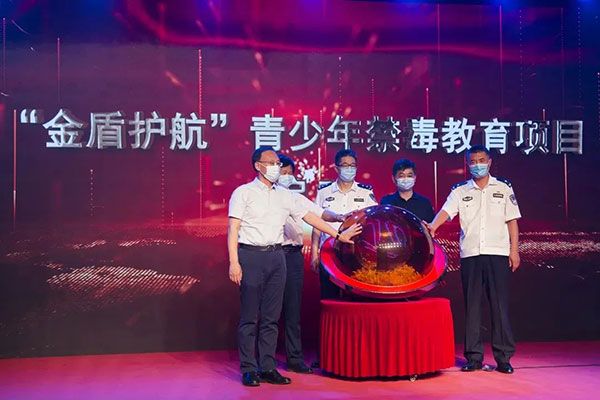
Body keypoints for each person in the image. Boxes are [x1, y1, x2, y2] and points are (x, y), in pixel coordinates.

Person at [227, 146, 361, 387]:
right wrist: (234, 262)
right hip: (251, 255)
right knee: (250, 317)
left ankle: (268, 367)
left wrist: (338, 235)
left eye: (277, 163)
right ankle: (249, 368)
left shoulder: (285, 195)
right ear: (258, 165)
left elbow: (311, 217)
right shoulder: (243, 192)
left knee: (271, 317)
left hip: (277, 256)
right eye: (271, 163)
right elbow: (233, 228)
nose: (276, 167)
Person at [425, 145, 521, 374]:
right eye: (473, 161)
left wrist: (514, 250)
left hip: (498, 253)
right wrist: (433, 226)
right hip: (471, 254)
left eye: (482, 160)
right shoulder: (460, 191)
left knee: (499, 306)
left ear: (490, 162)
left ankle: (504, 358)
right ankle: (474, 357)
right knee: (472, 306)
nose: (478, 165)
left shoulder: (503, 187)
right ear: (468, 164)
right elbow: (446, 211)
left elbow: (512, 220)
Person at [277, 154, 346, 375]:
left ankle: (294, 359)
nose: (286, 176)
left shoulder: (296, 198)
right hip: (271, 254)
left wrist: (339, 217)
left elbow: (320, 214)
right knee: (267, 311)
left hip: (293, 255)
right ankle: (263, 360)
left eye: (290, 173)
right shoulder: (261, 197)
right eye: (282, 172)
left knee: (293, 308)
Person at [310, 148, 378, 300]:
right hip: (328, 251)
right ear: (336, 168)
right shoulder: (324, 192)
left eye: (352, 165)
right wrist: (314, 253)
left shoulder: (365, 192)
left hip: (356, 253)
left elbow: (373, 222)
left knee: (355, 298)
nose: (349, 169)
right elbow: (316, 223)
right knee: (329, 297)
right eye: (345, 165)